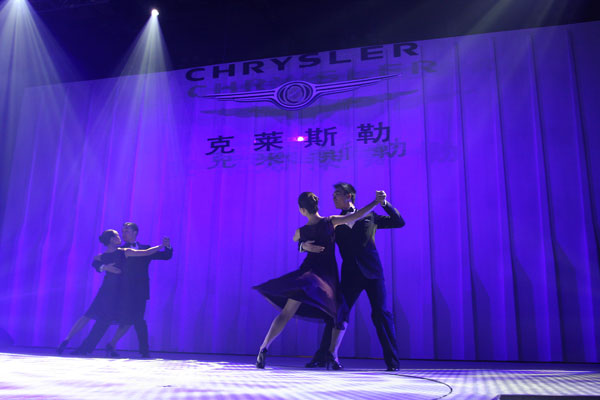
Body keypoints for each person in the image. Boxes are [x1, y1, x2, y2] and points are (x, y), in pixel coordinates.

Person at [253, 190, 386, 369]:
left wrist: (302, 246)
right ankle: (333, 356)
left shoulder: (301, 231)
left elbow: (295, 239)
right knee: (340, 313)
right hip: (325, 278)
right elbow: (358, 215)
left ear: (302, 210)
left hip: (307, 276)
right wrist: (375, 202)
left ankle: (263, 348)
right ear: (317, 206)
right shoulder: (330, 222)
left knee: (287, 313)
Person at [303, 183, 405, 371]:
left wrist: (384, 203)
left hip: (373, 273)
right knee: (337, 313)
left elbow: (398, 222)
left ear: (348, 196)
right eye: (333, 195)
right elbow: (311, 236)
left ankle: (393, 362)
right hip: (350, 274)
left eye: (337, 194)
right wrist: (302, 246)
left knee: (381, 314)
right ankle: (322, 357)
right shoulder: (334, 222)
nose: (333, 198)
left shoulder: (369, 215)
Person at [67, 229, 167, 356]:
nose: (122, 235)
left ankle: (111, 345)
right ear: (112, 239)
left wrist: (164, 246)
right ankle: (88, 347)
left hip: (130, 291)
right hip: (113, 291)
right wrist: (104, 267)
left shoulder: (126, 250)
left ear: (135, 232)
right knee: (106, 320)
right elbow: (95, 262)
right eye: (120, 234)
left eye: (126, 231)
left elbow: (151, 253)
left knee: (128, 320)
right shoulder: (120, 251)